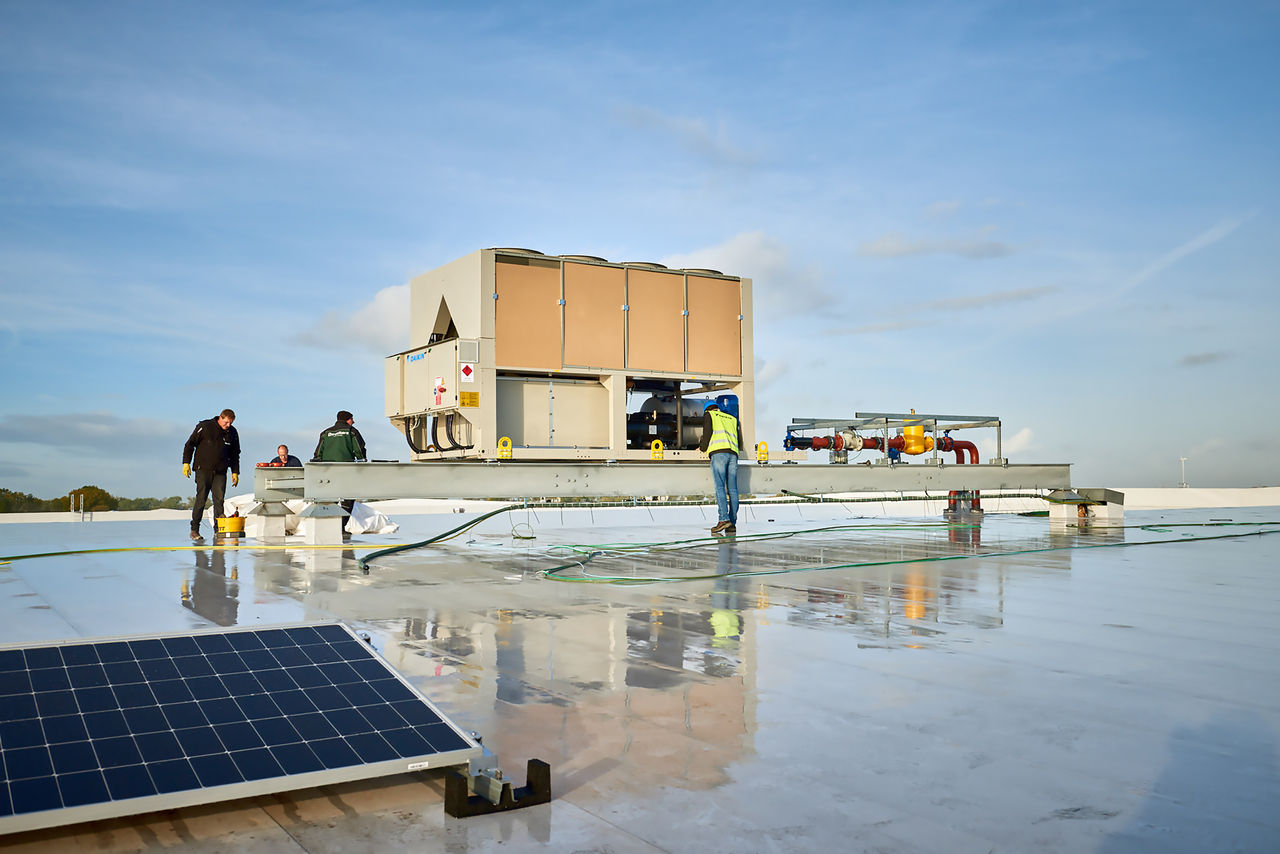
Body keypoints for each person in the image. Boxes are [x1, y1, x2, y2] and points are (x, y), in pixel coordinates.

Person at [182, 409, 241, 541]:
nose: (228, 425)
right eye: (226, 422)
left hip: (221, 471)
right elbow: (190, 445)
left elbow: (235, 454)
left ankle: (218, 530)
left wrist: (235, 471)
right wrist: (186, 462)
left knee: (219, 501)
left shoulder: (232, 432)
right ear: (221, 418)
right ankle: (195, 529)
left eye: (230, 423)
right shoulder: (205, 426)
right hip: (203, 469)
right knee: (201, 499)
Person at [312, 410, 367, 536]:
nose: (353, 422)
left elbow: (318, 453)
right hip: (346, 470)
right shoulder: (351, 431)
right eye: (352, 419)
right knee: (348, 498)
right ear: (347, 419)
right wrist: (362, 460)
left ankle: (330, 526)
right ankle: (341, 527)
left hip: (328, 471)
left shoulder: (326, 433)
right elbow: (359, 448)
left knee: (331, 498)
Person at [698, 401, 743, 534]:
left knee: (720, 488)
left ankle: (723, 519)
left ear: (707, 409)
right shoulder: (732, 419)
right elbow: (739, 442)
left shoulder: (709, 415)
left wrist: (702, 448)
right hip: (733, 454)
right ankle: (732, 523)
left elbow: (707, 434)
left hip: (719, 454)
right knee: (733, 490)